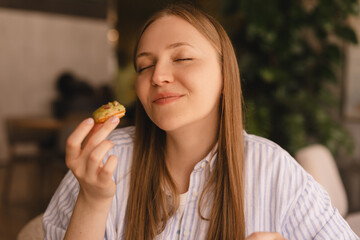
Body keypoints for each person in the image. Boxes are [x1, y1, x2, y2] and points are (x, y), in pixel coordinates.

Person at [43, 3, 359, 240]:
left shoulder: (274, 170)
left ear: (225, 75)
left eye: (182, 58)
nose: (158, 76)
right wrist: (92, 199)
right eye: (144, 65)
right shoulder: (101, 164)